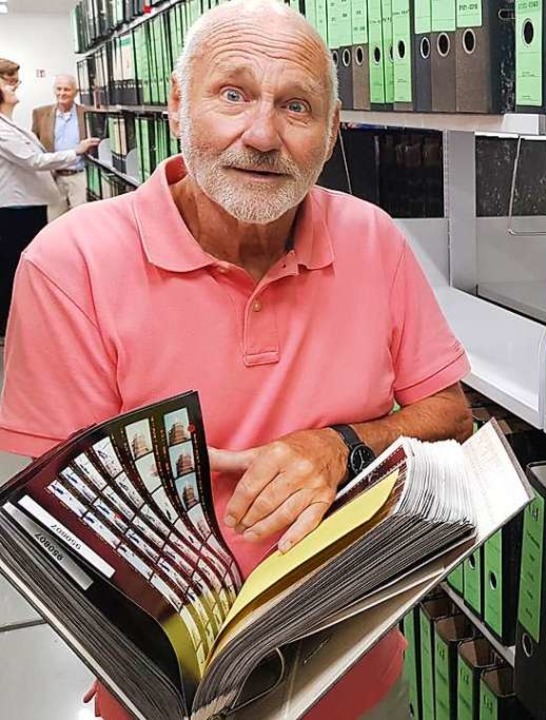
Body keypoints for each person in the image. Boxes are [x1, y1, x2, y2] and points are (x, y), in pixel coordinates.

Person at [0, 2, 471, 718]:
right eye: (232, 94)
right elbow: (59, 517)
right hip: (169, 696)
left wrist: (342, 446)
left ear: (331, 133)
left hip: (360, 676)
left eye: (296, 106)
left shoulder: (373, 240)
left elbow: (452, 415)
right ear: (175, 106)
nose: (262, 134)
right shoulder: (70, 266)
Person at [0, 58, 98, 335]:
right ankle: (14, 325)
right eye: (10, 82)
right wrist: (76, 151)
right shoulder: (18, 121)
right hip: (17, 204)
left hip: (35, 198)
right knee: (15, 262)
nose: (15, 87)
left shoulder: (9, 122)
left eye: (16, 81)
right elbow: (33, 159)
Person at [31, 74, 90, 221]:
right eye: (58, 89)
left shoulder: (87, 113)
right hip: (53, 179)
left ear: (76, 92)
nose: (62, 93)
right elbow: (34, 144)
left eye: (67, 89)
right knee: (54, 223)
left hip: (79, 176)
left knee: (81, 221)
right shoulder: (40, 114)